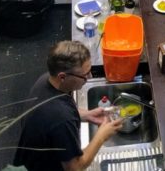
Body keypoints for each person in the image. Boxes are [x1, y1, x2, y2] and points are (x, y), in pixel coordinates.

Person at [14, 40, 123, 171]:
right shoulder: (61, 119)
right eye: (84, 75)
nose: (90, 77)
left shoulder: (46, 80)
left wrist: (87, 115)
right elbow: (75, 167)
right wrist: (101, 136)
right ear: (62, 77)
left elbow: (56, 114)